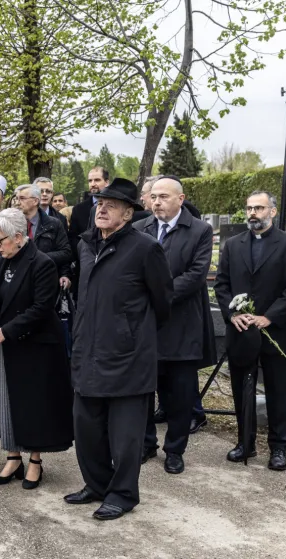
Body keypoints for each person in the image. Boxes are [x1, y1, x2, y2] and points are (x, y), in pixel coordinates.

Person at [66, 177, 172, 520]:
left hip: (128, 358)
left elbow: (163, 303)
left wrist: (129, 332)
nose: (103, 208)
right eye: (100, 203)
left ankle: (123, 494)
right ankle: (97, 485)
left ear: (128, 214)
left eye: (111, 205)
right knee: (86, 428)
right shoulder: (85, 245)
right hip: (88, 352)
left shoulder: (145, 248)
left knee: (126, 437)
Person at [0, 208, 73, 489]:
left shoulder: (41, 263)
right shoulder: (5, 260)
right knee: (7, 400)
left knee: (34, 404)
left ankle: (36, 460)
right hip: (6, 344)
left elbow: (41, 308)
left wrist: (6, 331)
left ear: (18, 237)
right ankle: (13, 456)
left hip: (36, 347)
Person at [214, 190, 286, 471]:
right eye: (249, 208)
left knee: (277, 390)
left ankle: (278, 448)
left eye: (259, 208)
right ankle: (245, 442)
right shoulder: (233, 245)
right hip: (241, 330)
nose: (252, 213)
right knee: (242, 387)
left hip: (274, 331)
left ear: (273, 212)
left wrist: (269, 317)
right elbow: (222, 284)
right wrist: (232, 315)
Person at [133, 177, 214, 475]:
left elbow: (195, 275)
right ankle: (145, 444)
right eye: (153, 197)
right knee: (143, 390)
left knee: (179, 395)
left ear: (181, 199)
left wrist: (157, 295)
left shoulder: (200, 231)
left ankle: (175, 450)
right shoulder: (139, 229)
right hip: (146, 326)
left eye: (163, 197)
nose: (156, 202)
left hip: (182, 326)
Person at [12, 184, 72, 287]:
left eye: (21, 198)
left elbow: (65, 253)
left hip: (46, 280)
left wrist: (64, 274)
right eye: (16, 198)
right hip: (17, 281)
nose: (17, 202)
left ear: (35, 201)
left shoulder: (54, 224)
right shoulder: (11, 223)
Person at [67, 166, 109, 246]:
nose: (92, 184)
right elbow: (72, 238)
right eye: (90, 181)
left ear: (106, 182)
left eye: (97, 180)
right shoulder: (78, 209)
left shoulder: (115, 207)